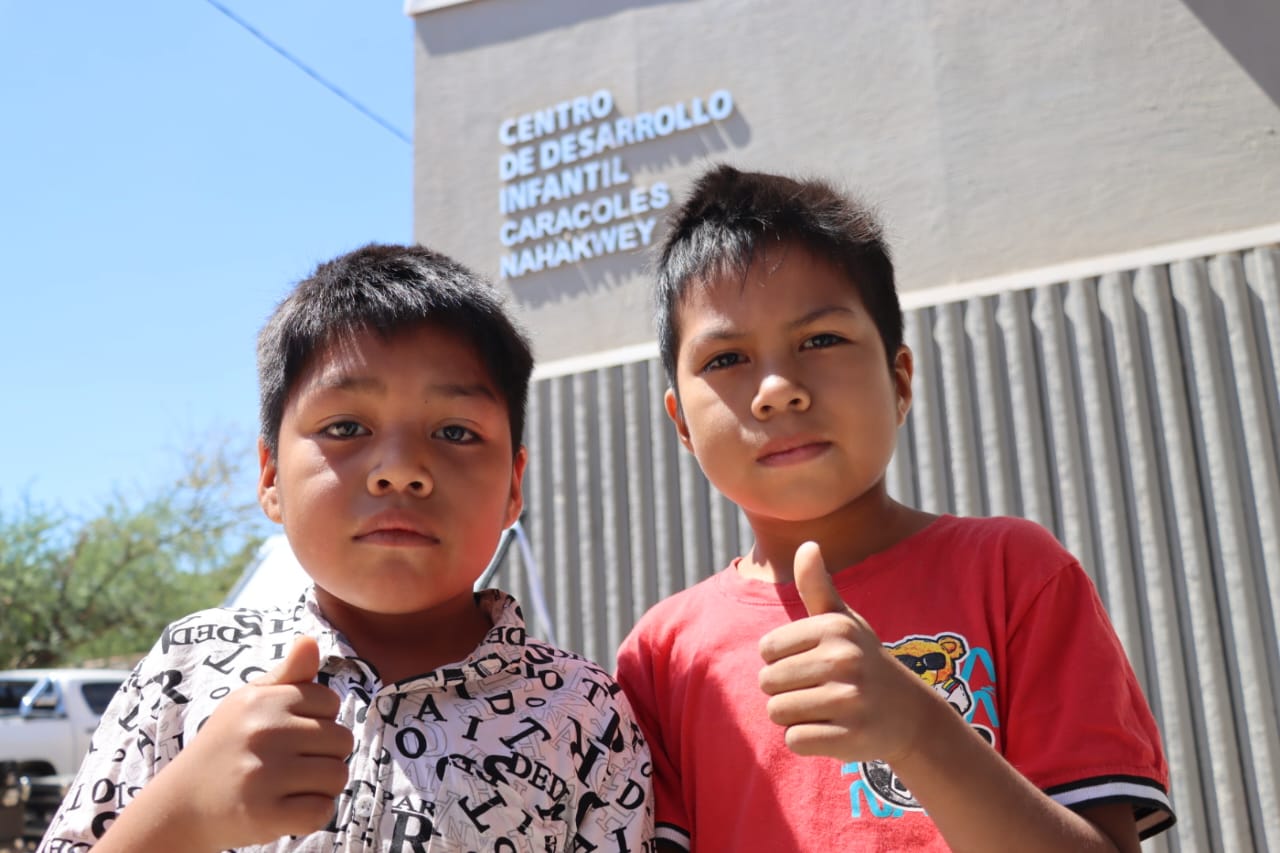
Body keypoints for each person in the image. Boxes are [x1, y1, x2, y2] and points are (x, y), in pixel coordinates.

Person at [613, 165, 1174, 852]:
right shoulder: (660, 656)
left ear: (900, 378)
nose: (778, 390)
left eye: (820, 340)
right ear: (680, 423)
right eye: (727, 357)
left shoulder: (1017, 572)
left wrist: (920, 731)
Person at [40, 243, 654, 852]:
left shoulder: (583, 714)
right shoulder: (187, 669)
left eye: (455, 432)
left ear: (514, 486)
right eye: (345, 428)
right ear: (271, 476)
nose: (401, 470)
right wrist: (181, 816)